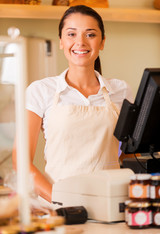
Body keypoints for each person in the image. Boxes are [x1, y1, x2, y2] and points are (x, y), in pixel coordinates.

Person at [12, 5, 133, 203]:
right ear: (61, 41)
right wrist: (60, 202)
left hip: (109, 206)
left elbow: (130, 155)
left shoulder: (121, 91)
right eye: (71, 34)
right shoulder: (41, 90)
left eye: (90, 34)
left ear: (102, 42)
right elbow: (21, 162)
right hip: (58, 210)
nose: (80, 42)